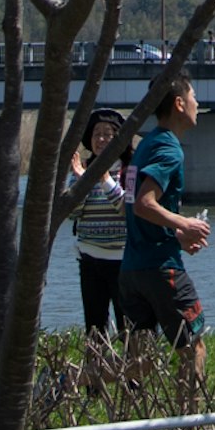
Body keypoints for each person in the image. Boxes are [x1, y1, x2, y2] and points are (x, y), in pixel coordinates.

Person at [118, 74, 212, 388]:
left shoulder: (145, 145)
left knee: (140, 364)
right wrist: (185, 223)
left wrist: (175, 235)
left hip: (132, 270)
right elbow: (143, 205)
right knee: (193, 348)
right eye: (194, 96)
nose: (198, 104)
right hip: (162, 271)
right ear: (179, 103)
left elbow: (129, 208)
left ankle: (70, 380)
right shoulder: (169, 150)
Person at [61, 105, 131, 340]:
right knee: (94, 329)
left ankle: (133, 376)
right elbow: (73, 213)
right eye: (96, 134)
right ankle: (94, 375)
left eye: (107, 134)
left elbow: (126, 211)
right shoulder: (81, 171)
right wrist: (83, 180)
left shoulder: (130, 169)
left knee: (128, 328)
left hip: (124, 262)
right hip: (90, 261)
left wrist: (105, 180)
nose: (101, 139)